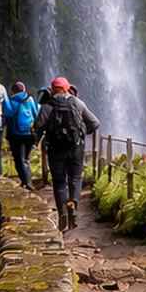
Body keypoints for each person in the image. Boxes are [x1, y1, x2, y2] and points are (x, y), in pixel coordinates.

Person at [32, 76, 98, 231]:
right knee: (75, 178)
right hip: (76, 148)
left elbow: (38, 127)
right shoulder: (78, 103)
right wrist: (82, 133)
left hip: (55, 149)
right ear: (68, 88)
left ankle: (62, 213)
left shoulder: (47, 105)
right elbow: (95, 123)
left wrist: (35, 142)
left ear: (52, 89)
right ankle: (73, 205)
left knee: (59, 182)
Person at [2, 81, 40, 188]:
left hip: (16, 134)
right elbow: (36, 114)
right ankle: (27, 181)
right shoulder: (30, 99)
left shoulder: (11, 101)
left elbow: (7, 114)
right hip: (29, 134)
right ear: (24, 90)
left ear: (13, 91)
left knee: (19, 159)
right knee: (26, 159)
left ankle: (26, 182)